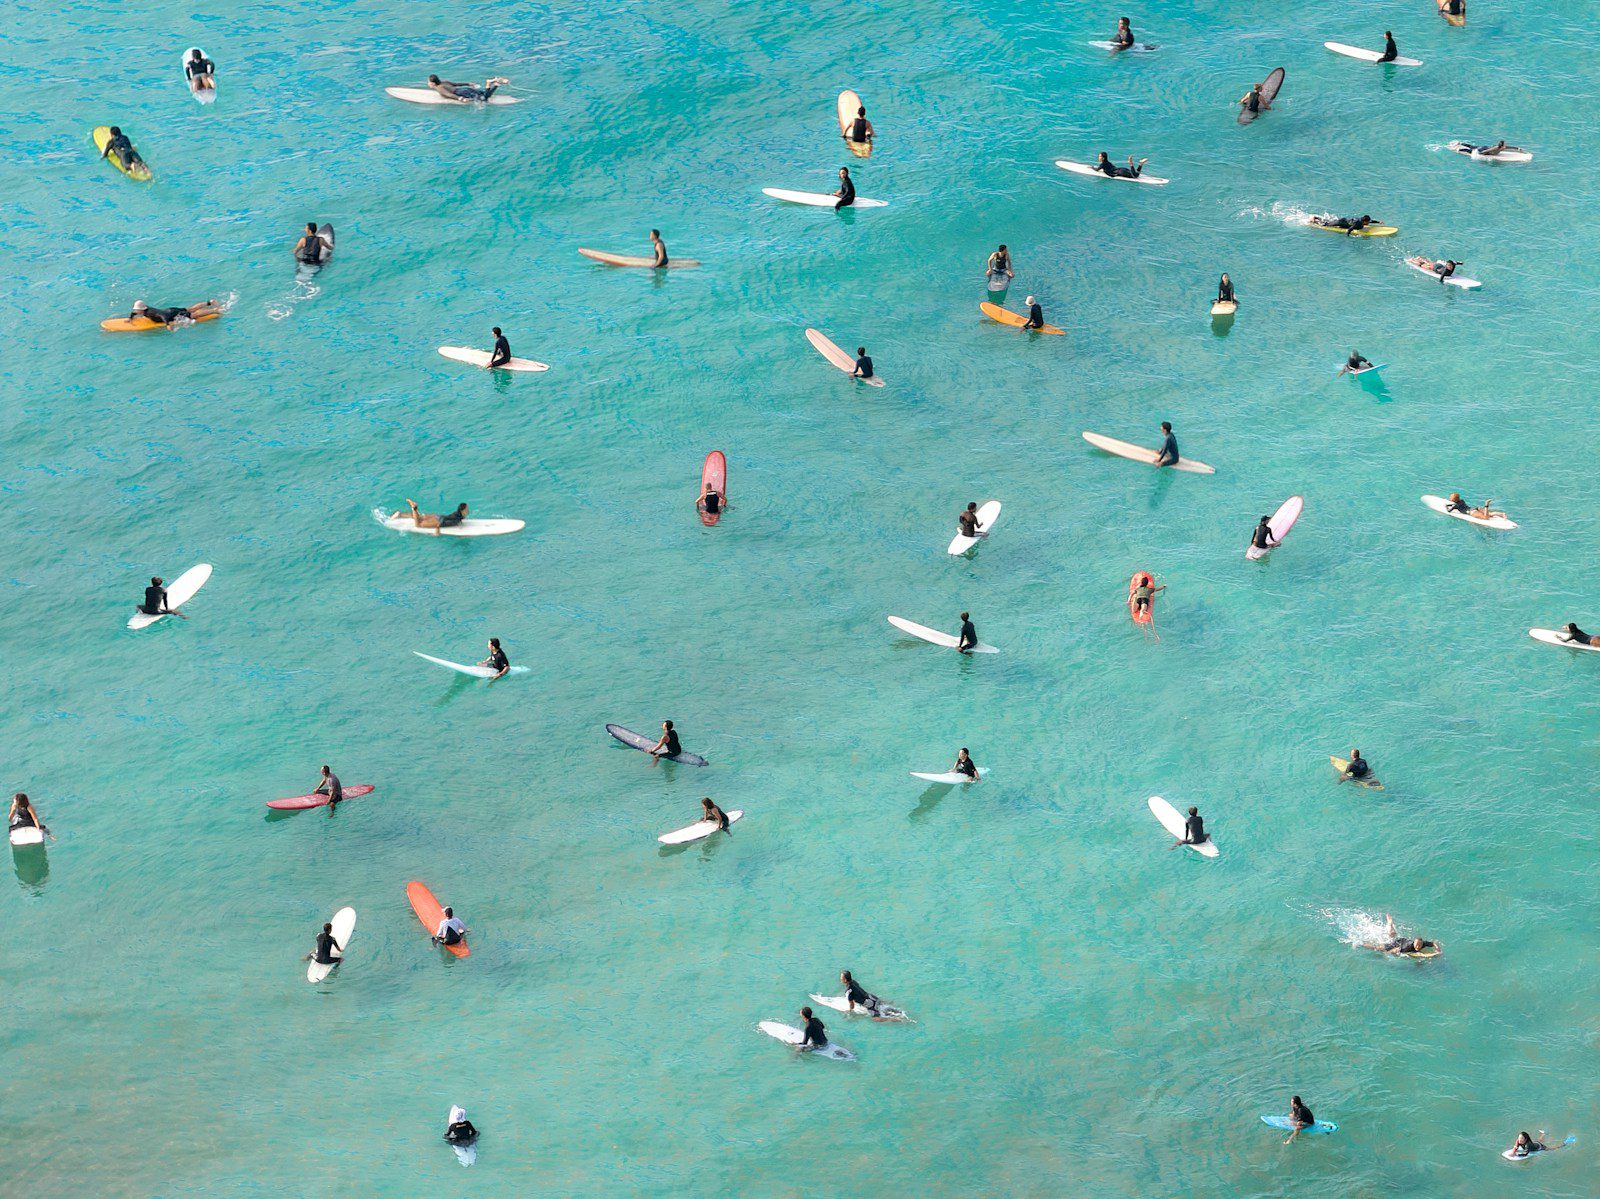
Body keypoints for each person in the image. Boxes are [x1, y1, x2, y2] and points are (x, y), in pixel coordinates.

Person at [1361, 914, 1439, 956]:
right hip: (1398, 944)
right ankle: (1361, 944)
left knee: (1392, 935)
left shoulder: (1423, 944)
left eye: (1419, 945)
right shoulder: (1406, 948)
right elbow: (1395, 950)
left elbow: (1433, 943)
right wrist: (1387, 954)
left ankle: (1390, 925)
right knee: (1378, 948)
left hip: (1403, 940)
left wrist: (1437, 948)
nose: (1418, 947)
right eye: (1416, 946)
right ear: (1414, 943)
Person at [390, 499, 469, 533]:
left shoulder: (457, 513)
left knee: (420, 517)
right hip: (438, 521)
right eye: (467, 509)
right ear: (462, 510)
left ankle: (399, 514)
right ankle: (414, 507)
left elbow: (451, 518)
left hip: (437, 516)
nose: (468, 511)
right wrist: (437, 530)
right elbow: (444, 522)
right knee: (418, 525)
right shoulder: (458, 518)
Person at [129, 299, 222, 326]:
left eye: (137, 310)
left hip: (171, 314)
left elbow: (162, 315)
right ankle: (210, 302)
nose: (136, 311)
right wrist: (130, 319)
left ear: (141, 309)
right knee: (191, 309)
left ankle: (215, 310)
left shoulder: (150, 312)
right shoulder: (143, 310)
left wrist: (168, 325)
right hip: (170, 310)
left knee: (194, 315)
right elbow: (134, 313)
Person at [426, 73, 509, 102]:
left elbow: (449, 95)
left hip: (461, 93)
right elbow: (456, 84)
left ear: (433, 83)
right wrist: (468, 84)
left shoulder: (439, 88)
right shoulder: (444, 82)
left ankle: (488, 83)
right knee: (484, 94)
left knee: (484, 99)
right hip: (464, 89)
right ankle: (496, 84)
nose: (428, 83)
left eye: (429, 82)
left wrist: (461, 99)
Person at [1310, 214, 1375, 235]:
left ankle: (1317, 218)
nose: (1369, 222)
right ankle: (1314, 219)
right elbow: (1350, 229)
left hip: (1344, 220)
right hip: (1341, 222)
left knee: (1329, 221)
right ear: (1364, 221)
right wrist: (1348, 236)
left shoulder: (1362, 219)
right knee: (1326, 224)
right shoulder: (1358, 223)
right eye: (1368, 222)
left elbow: (1371, 221)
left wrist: (1378, 222)